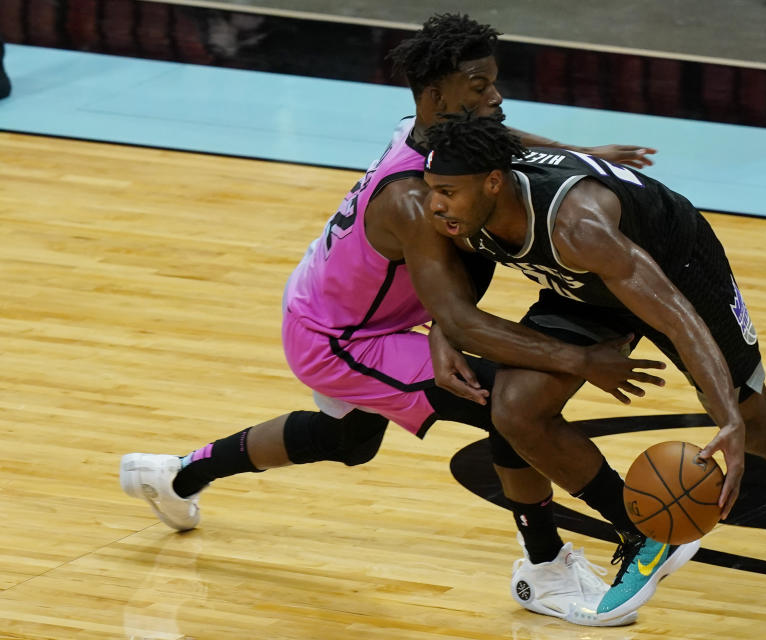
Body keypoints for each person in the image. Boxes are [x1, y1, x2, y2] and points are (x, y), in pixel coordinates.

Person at [120, 13, 660, 627]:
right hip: (342, 337)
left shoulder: (426, 130)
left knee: (346, 440)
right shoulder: (413, 197)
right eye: (480, 86)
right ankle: (552, 566)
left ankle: (176, 476)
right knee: (507, 405)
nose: (495, 97)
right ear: (438, 96)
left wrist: (584, 154)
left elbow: (499, 138)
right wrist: (578, 360)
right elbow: (456, 309)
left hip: (329, 302)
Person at [416, 113, 766, 620]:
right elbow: (460, 273)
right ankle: (643, 534)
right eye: (431, 188)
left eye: (447, 191)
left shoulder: (577, 224)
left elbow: (679, 318)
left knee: (756, 424)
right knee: (515, 409)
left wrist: (727, 417)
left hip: (676, 268)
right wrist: (444, 327)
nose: (434, 203)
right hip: (585, 284)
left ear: (492, 182)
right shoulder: (460, 208)